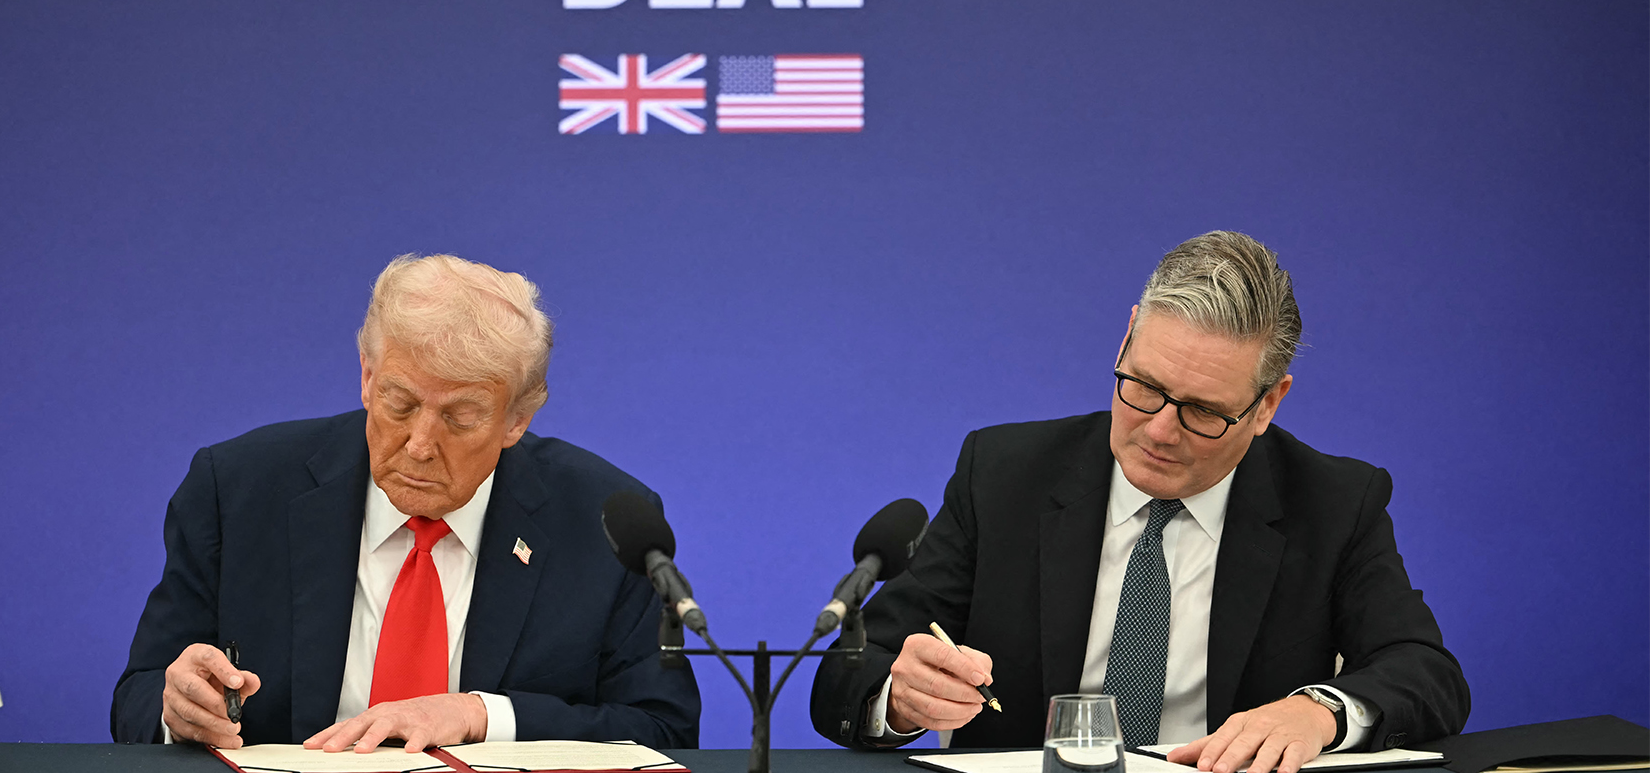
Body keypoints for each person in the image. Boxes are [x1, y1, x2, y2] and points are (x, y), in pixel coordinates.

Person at [810, 231, 1468, 773]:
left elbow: (1426, 672)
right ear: (1126, 337)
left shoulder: (1332, 500)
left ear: (1268, 403)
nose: (1158, 429)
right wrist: (900, 698)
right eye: (1143, 386)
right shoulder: (1005, 475)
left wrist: (1317, 711)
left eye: (1203, 411)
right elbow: (849, 677)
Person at [112, 254, 700, 751]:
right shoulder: (238, 489)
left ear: (517, 419)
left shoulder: (602, 519)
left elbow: (663, 729)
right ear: (367, 377)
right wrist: (175, 711)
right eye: (398, 403)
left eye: (460, 417)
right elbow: (137, 697)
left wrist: (479, 716)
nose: (420, 446)